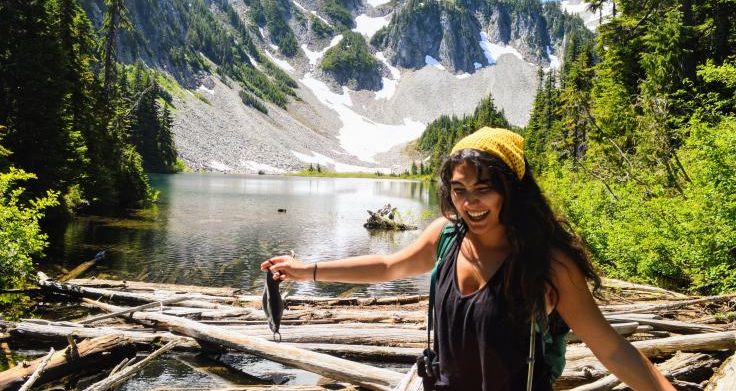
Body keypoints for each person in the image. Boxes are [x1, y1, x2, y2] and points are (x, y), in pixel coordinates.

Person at [261, 127, 674, 391]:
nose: (470, 203)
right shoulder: (445, 236)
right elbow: (389, 267)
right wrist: (306, 270)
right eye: (459, 190)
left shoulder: (547, 264)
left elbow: (612, 349)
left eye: (484, 188)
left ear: (511, 189)